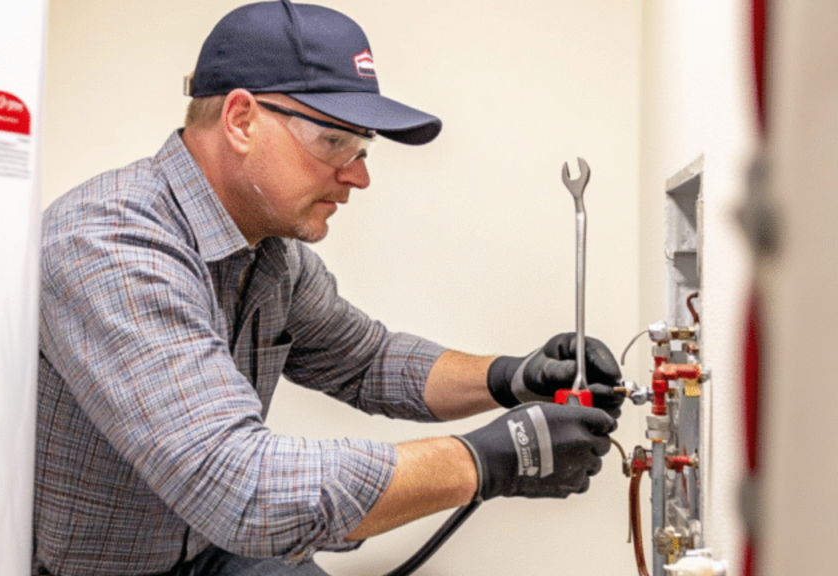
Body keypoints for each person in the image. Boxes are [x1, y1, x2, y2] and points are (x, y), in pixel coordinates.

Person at [32, 2, 625, 575]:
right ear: (241, 120)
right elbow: (245, 491)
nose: (359, 175)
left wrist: (511, 376)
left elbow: (367, 360)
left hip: (210, 551)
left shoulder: (269, 252)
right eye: (334, 142)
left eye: (361, 148)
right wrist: (488, 458)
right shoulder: (111, 242)